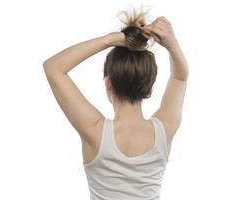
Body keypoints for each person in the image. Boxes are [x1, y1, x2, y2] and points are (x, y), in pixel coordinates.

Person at [43, 7, 188, 200]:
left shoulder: (94, 131)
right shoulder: (164, 130)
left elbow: (53, 68)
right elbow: (180, 77)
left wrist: (111, 39)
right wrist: (172, 44)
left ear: (108, 82)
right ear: (149, 84)